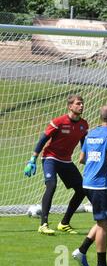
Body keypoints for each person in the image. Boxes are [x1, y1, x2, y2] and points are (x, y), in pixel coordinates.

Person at [24, 94, 88, 235]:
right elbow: (43, 139)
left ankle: (64, 223)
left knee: (82, 190)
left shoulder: (84, 125)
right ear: (70, 106)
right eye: (78, 103)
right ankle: (43, 224)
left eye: (82, 103)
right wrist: (32, 159)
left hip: (66, 161)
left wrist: (87, 160)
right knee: (51, 185)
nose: (81, 105)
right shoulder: (58, 122)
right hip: (50, 158)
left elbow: (84, 146)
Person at [72, 104, 107, 266]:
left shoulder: (91, 133)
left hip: (87, 182)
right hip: (100, 185)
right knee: (103, 224)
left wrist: (96, 164)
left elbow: (81, 159)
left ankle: (82, 250)